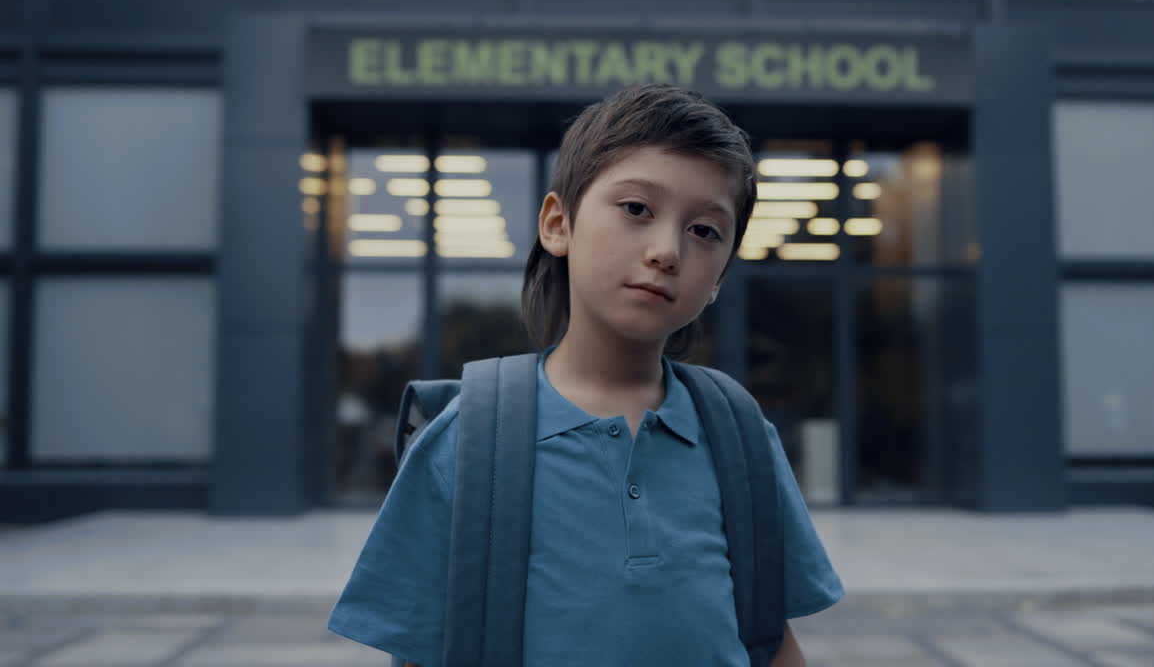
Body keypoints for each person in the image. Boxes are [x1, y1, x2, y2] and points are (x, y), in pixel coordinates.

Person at [328, 84, 844, 666]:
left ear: (720, 278)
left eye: (705, 231)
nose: (667, 251)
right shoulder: (467, 441)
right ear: (557, 224)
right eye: (637, 209)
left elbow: (772, 642)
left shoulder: (743, 439)